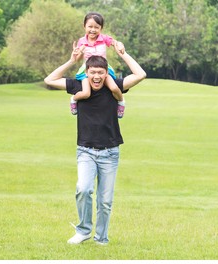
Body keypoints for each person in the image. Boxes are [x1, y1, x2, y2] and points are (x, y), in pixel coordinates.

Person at [44, 41, 146, 245]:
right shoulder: (77, 85)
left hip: (110, 153)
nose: (97, 76)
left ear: (106, 73)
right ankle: (83, 231)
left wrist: (123, 53)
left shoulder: (114, 86)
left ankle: (101, 238)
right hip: (86, 152)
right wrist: (71, 61)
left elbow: (140, 74)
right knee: (83, 189)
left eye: (101, 72)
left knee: (105, 202)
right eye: (93, 72)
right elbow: (49, 79)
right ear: (87, 72)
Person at [70, 12, 126, 118]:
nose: (93, 30)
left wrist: (119, 44)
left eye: (96, 27)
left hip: (103, 69)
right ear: (84, 26)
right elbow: (76, 59)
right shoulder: (82, 41)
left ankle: (121, 102)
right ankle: (74, 99)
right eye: (90, 26)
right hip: (88, 71)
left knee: (114, 88)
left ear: (101, 28)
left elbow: (115, 42)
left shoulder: (103, 38)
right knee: (86, 93)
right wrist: (77, 53)